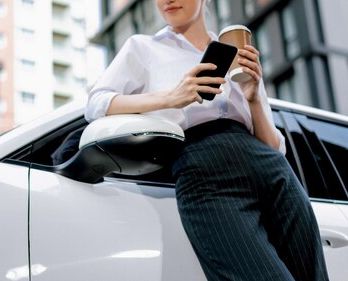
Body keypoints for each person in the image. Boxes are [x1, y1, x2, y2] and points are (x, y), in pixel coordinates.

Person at [84, 0, 330, 280]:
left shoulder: (237, 53)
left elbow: (274, 146)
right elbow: (96, 104)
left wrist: (252, 95)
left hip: (274, 171)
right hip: (207, 171)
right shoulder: (142, 48)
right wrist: (172, 97)